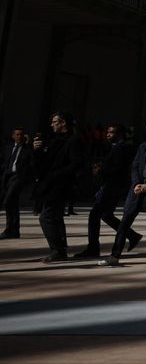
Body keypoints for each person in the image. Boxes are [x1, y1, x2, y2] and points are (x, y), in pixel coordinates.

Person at [99, 117, 146, 267]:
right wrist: (136, 184)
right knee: (125, 222)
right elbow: (135, 166)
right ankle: (115, 256)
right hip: (137, 189)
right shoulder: (143, 146)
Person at [77, 125, 140, 258]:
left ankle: (93, 248)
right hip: (112, 186)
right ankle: (132, 235)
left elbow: (118, 169)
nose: (108, 135)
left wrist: (101, 170)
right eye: (108, 132)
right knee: (106, 215)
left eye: (112, 133)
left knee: (95, 215)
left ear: (120, 134)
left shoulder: (121, 148)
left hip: (112, 187)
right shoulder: (115, 147)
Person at [32, 112, 84, 262]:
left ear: (63, 123)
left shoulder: (73, 140)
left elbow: (76, 163)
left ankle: (57, 249)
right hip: (50, 184)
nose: (52, 125)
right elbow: (45, 164)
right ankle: (61, 249)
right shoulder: (54, 140)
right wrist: (38, 151)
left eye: (55, 122)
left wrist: (56, 174)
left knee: (45, 217)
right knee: (55, 217)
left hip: (60, 185)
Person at [1, 128, 34, 239]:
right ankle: (14, 231)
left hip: (19, 178)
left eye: (21, 135)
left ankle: (9, 229)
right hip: (8, 177)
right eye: (17, 134)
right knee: (13, 204)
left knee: (7, 202)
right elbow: (5, 161)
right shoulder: (8, 148)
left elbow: (32, 162)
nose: (19, 136)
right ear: (13, 136)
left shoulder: (28, 149)